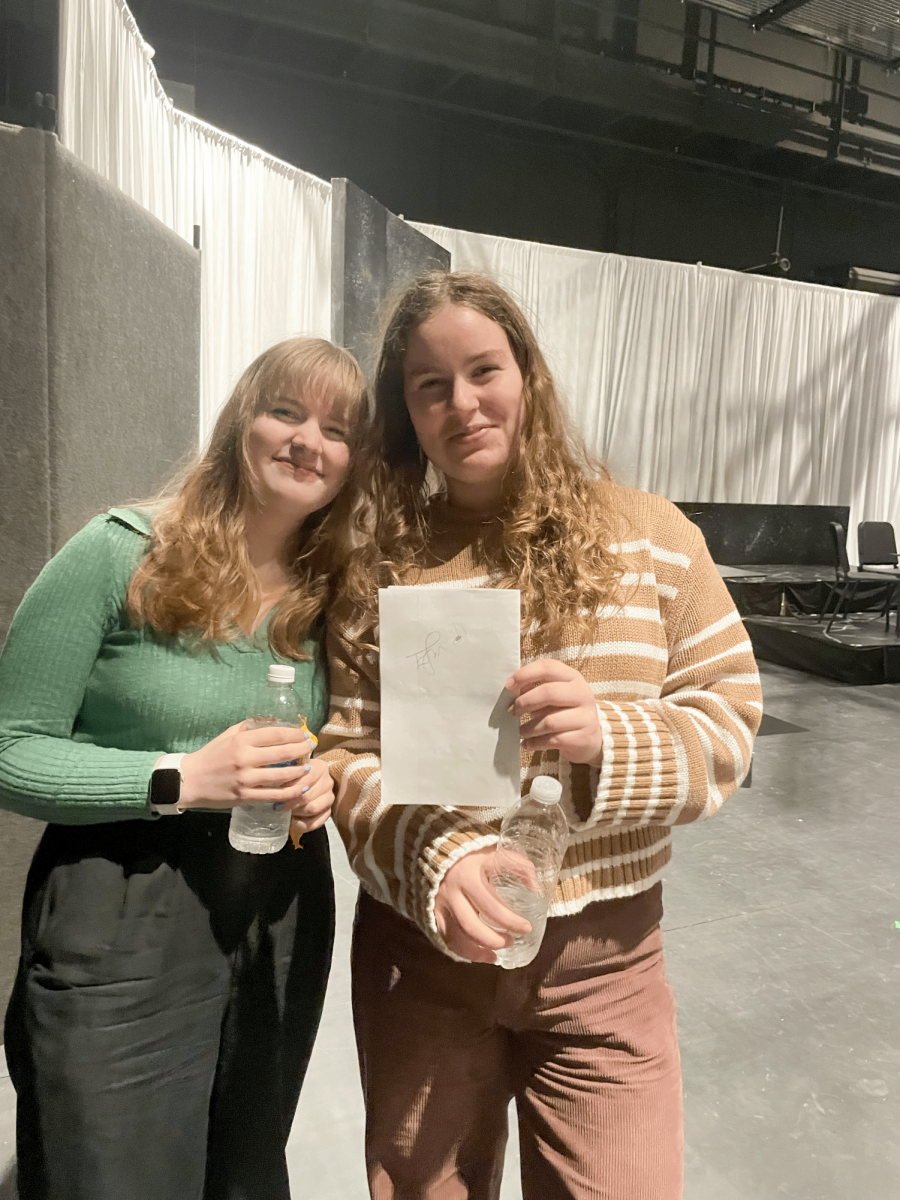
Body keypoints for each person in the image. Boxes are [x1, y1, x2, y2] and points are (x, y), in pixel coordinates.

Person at [319, 272, 763, 1200]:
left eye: (485, 369)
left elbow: (731, 719)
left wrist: (613, 735)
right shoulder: (380, 564)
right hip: (425, 958)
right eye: (430, 385)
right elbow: (348, 754)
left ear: (529, 374)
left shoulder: (652, 539)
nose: (463, 403)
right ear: (405, 411)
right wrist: (439, 860)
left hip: (609, 966)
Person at [0, 336, 366, 1200]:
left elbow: (350, 736)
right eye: (286, 411)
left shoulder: (334, 592)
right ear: (242, 418)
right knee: (109, 1169)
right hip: (120, 906)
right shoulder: (119, 551)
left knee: (242, 1166)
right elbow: (10, 746)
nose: (308, 439)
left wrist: (329, 776)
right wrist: (179, 779)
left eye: (337, 427)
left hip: (276, 915)